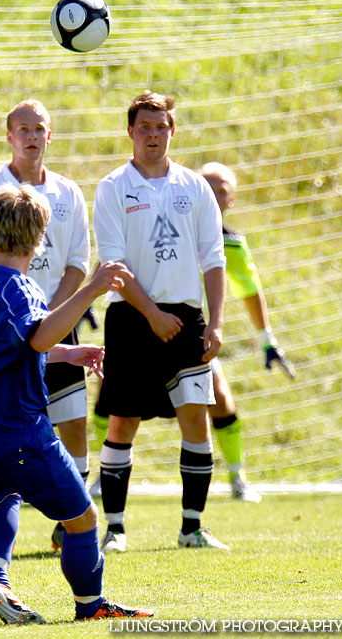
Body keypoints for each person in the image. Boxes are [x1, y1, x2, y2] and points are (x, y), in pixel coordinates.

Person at [0, 183, 154, 624]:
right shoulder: (19, 288)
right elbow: (39, 333)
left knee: (1, 494)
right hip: (15, 428)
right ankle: (90, 605)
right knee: (82, 518)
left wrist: (65, 353)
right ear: (40, 237)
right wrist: (94, 288)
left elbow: (11, 345)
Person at [93, 91, 230, 553]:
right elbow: (112, 263)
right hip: (132, 319)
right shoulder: (113, 186)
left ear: (173, 131)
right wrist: (152, 314)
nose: (153, 134)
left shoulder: (194, 187)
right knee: (122, 422)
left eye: (161, 126)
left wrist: (214, 323)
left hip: (187, 320)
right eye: (144, 127)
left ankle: (191, 527)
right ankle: (115, 529)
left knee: (196, 420)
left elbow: (213, 258)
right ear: (130, 132)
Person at [0, 99, 91, 551]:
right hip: (12, 323)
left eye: (41, 128)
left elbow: (77, 261)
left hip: (50, 319)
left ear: (50, 136)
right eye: (24, 128)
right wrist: (38, 316)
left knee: (72, 421)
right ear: (9, 135)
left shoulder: (68, 192)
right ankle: (78, 534)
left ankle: (4, 571)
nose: (33, 135)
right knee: (15, 454)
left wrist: (52, 315)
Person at [201, 161, 295, 502]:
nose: (213, 194)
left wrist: (267, 341)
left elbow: (250, 291)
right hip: (154, 327)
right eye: (206, 186)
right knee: (116, 401)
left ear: (232, 199)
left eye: (221, 189)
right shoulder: (175, 231)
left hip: (197, 338)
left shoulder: (233, 245)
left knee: (220, 399)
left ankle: (238, 479)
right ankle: (96, 480)